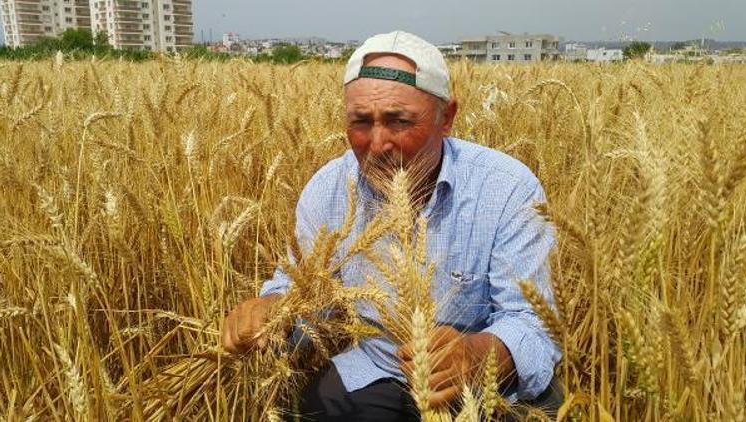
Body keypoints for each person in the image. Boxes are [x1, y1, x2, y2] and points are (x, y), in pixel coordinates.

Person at [223, 30, 564, 421]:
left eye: (398, 120)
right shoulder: (329, 190)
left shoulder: (507, 188)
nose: (378, 142)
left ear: (447, 117)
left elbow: (531, 322)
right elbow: (300, 290)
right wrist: (271, 312)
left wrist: (479, 354)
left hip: (485, 385)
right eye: (361, 122)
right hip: (377, 370)